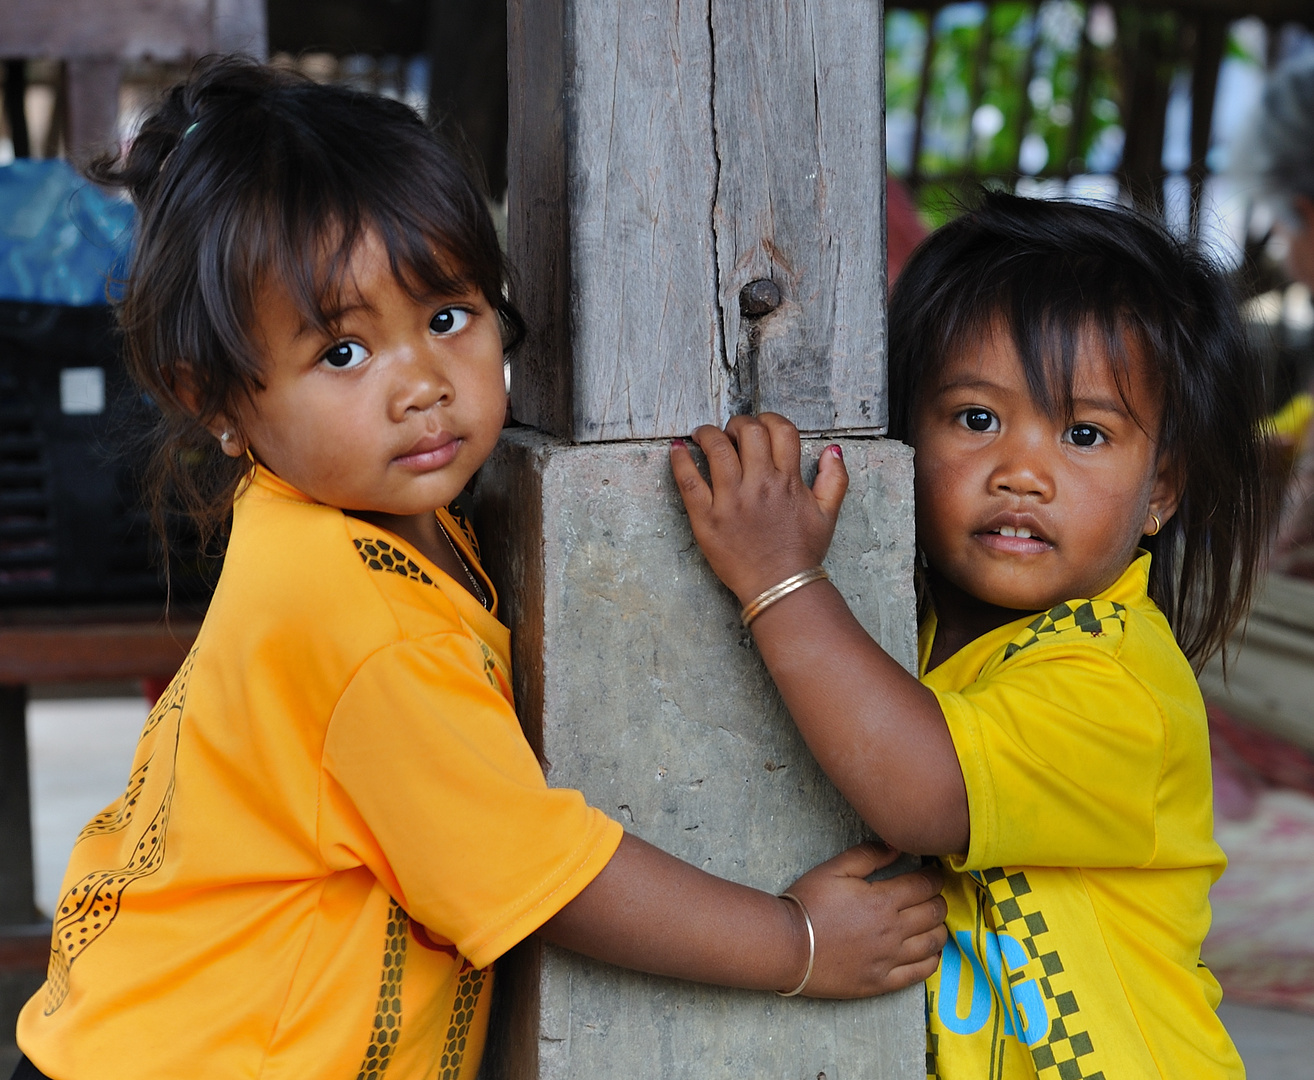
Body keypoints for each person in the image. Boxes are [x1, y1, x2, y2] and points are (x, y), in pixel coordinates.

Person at [10, 58, 950, 1080]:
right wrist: (799, 945)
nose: (421, 384)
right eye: (341, 355)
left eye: (447, 317)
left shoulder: (346, 520)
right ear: (220, 403)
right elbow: (541, 876)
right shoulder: (358, 620)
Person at [672, 192, 1279, 1078]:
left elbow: (921, 790)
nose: (1022, 473)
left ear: (1161, 491)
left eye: (1083, 433)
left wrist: (779, 578)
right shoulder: (906, 627)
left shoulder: (1119, 686)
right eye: (977, 419)